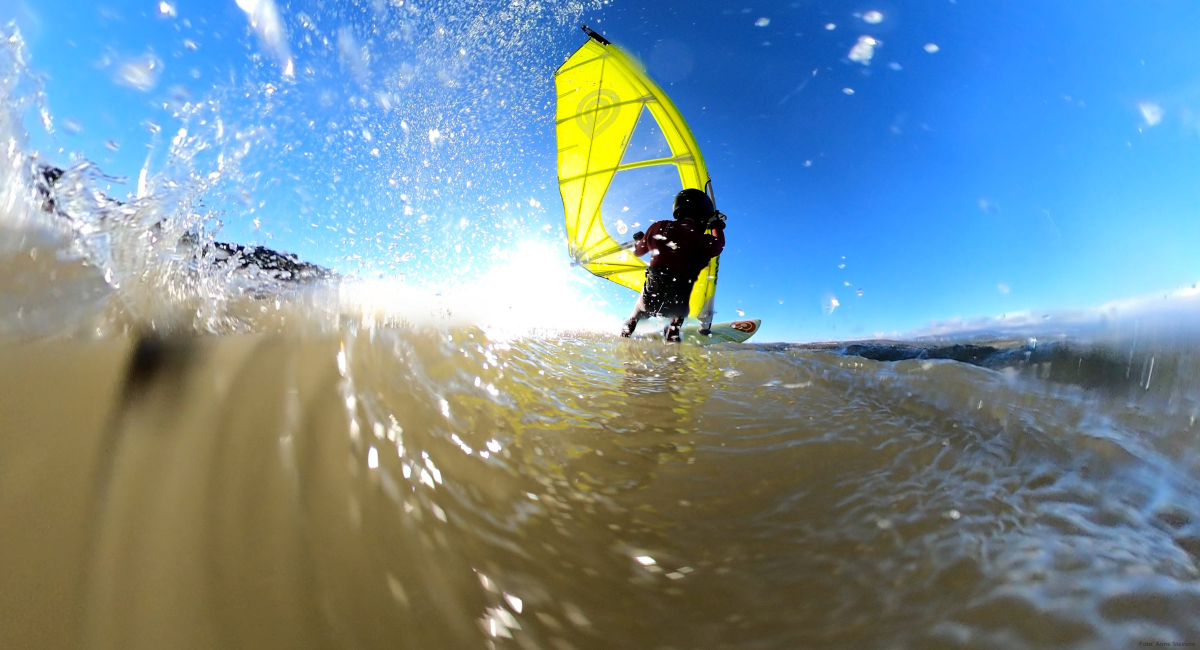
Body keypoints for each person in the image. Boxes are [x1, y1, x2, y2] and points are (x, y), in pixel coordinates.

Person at [620, 188, 726, 342]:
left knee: (635, 315)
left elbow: (638, 251)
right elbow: (720, 244)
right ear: (704, 216)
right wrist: (716, 226)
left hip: (650, 298)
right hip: (677, 305)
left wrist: (640, 239)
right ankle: (672, 341)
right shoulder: (704, 242)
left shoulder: (658, 227)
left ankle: (625, 336)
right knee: (676, 319)